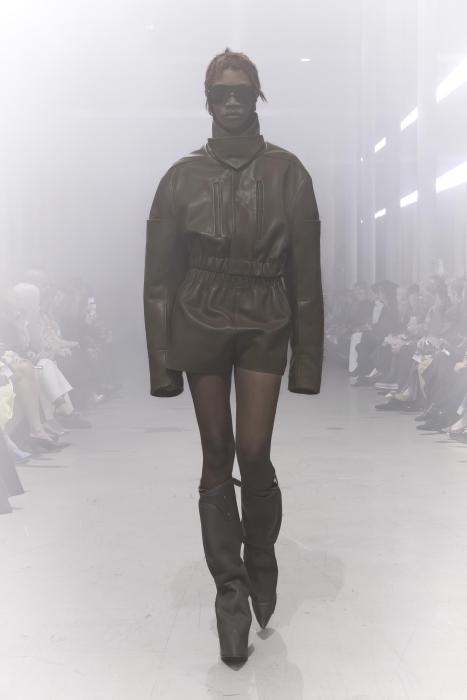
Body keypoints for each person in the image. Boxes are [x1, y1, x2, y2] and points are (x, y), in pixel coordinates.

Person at [143, 48, 324, 664]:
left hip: (265, 312)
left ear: (256, 96)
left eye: (241, 91)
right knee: (217, 451)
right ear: (207, 99)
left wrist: (308, 361)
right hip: (200, 311)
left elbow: (307, 277)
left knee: (254, 449)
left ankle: (261, 553)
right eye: (220, 91)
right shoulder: (180, 177)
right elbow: (159, 278)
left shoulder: (289, 173)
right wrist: (161, 362)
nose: (230, 101)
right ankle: (230, 593)